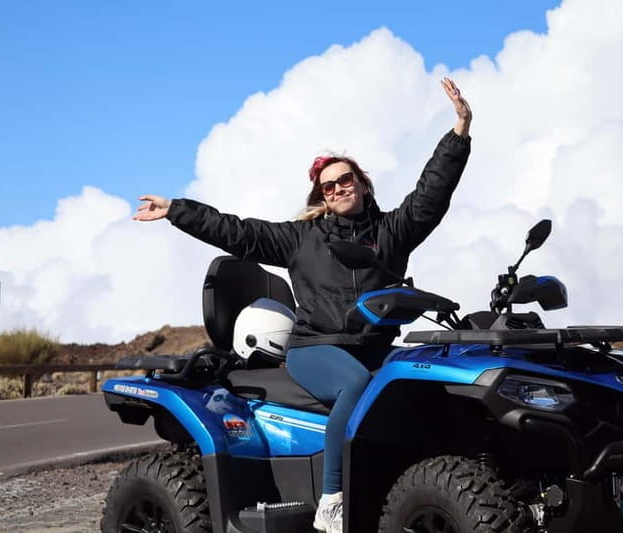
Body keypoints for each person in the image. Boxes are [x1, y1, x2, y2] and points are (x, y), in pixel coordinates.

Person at [133, 77, 472, 533]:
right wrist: (177, 209)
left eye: (344, 180)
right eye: (328, 186)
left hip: (376, 348)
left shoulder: (392, 234)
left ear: (363, 185)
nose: (337, 189)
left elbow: (431, 197)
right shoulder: (301, 239)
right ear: (321, 197)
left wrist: (459, 133)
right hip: (316, 349)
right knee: (356, 386)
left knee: (429, 389)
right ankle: (333, 500)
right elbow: (237, 231)